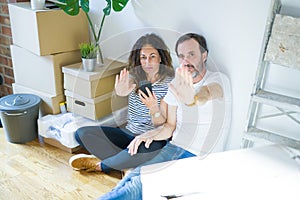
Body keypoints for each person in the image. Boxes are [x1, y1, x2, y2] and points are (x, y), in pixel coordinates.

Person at [98, 33, 232, 199]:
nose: (186, 61)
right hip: (174, 147)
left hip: (199, 156)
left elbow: (209, 93)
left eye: (192, 54)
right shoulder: (176, 84)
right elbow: (169, 126)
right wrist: (148, 135)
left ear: (204, 56)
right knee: (134, 175)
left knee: (139, 186)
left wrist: (192, 98)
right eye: (182, 56)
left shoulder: (218, 79)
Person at [69, 33, 175, 173]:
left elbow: (162, 124)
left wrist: (153, 108)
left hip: (151, 138)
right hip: (128, 133)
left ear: (160, 57)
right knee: (81, 133)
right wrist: (120, 92)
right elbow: (122, 91)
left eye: (152, 56)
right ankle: (124, 162)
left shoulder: (169, 84)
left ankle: (101, 165)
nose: (147, 62)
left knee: (148, 149)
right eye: (143, 57)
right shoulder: (134, 76)